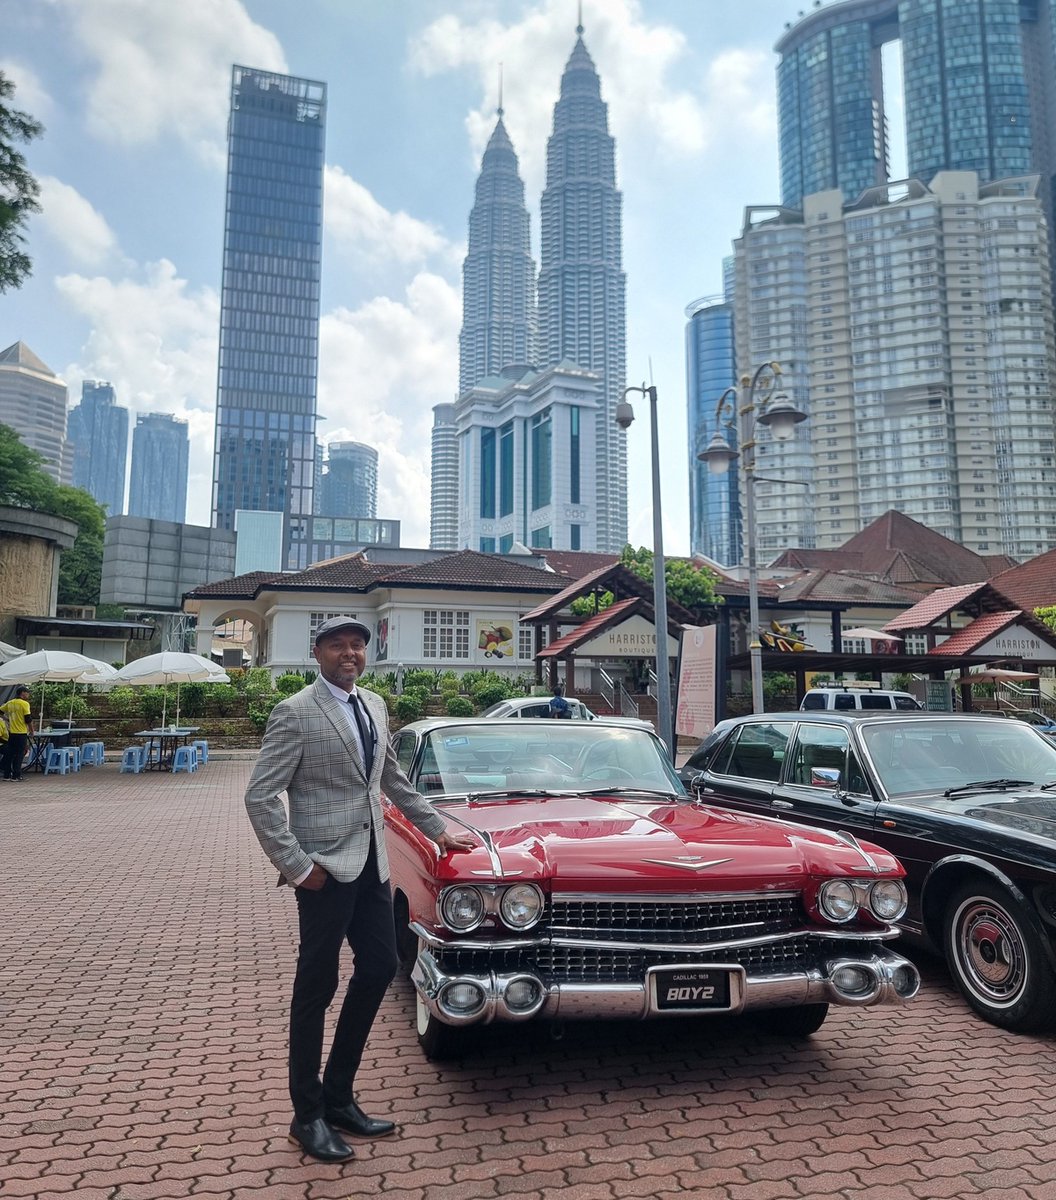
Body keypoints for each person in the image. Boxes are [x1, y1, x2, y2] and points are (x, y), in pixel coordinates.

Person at [244, 616, 474, 1164]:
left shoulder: (372, 703)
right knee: (316, 986)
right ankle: (307, 1115)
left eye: (357, 645)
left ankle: (339, 1096)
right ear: (317, 652)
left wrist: (439, 829)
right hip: (324, 871)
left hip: (373, 866)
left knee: (380, 967)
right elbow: (260, 796)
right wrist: (298, 866)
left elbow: (391, 779)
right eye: (337, 645)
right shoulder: (295, 712)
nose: (349, 653)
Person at [0, 686, 33, 782]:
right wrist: (32, 730)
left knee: (10, 754)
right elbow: (28, 719)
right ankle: (16, 775)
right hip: (21, 733)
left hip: (12, 733)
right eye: (27, 693)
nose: (28, 694)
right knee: (19, 754)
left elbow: (0, 711)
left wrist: (7, 719)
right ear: (22, 693)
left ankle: (7, 775)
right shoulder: (24, 704)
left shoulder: (10, 703)